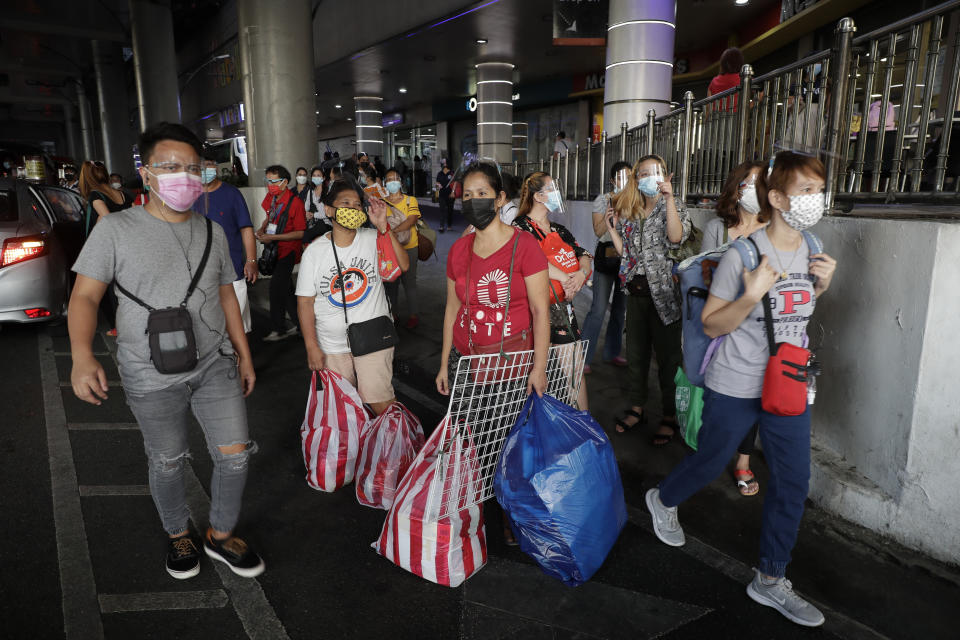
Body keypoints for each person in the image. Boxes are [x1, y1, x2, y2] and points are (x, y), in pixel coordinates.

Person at [646, 151, 837, 628]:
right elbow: (711, 324)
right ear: (776, 197)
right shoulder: (743, 254)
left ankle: (770, 580)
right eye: (805, 191)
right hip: (736, 382)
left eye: (819, 190)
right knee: (712, 461)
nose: (815, 200)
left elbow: (794, 309)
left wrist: (822, 288)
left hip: (788, 385)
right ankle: (663, 499)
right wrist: (749, 294)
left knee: (792, 482)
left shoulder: (812, 244)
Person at [68, 121, 264, 580]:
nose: (185, 176)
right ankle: (178, 532)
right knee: (168, 459)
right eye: (171, 166)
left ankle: (218, 535)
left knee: (235, 454)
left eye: (193, 168)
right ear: (146, 172)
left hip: (215, 363)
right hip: (149, 371)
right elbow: (84, 297)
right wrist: (81, 354)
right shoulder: (115, 230)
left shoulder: (214, 232)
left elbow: (225, 297)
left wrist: (245, 355)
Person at [435, 162, 550, 547]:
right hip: (468, 362)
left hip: (512, 364)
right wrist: (444, 362)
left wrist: (539, 367)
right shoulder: (458, 250)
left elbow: (539, 311)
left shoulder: (525, 246)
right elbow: (452, 309)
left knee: (508, 444)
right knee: (473, 441)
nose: (473, 201)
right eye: (466, 195)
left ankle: (507, 514)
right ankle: (478, 509)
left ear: (501, 198)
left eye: (482, 194)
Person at [296, 179, 409, 415]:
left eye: (357, 205)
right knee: (341, 409)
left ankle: (398, 450)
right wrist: (311, 346)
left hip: (374, 337)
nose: (353, 209)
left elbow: (403, 265)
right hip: (331, 345)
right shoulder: (314, 252)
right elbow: (305, 302)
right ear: (328, 210)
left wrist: (383, 227)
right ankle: (357, 451)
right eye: (345, 203)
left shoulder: (373, 237)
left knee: (382, 404)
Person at [606, 154, 691, 445]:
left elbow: (676, 238)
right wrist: (612, 230)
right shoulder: (632, 210)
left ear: (665, 176)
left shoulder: (674, 206)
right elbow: (627, 254)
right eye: (642, 173)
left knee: (668, 359)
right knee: (636, 355)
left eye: (654, 173)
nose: (648, 178)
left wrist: (669, 200)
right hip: (636, 294)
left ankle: (669, 416)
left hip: (665, 295)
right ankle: (637, 408)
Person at [701, 160, 767, 495]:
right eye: (747, 182)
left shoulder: (772, 230)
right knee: (720, 393)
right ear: (735, 187)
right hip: (721, 320)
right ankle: (710, 452)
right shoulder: (718, 227)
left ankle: (743, 461)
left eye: (760, 182)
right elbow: (701, 273)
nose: (753, 189)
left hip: (756, 329)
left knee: (753, 396)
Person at [513, 171, 592, 410]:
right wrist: (570, 277)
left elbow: (584, 255)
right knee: (530, 372)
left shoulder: (559, 229)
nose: (558, 194)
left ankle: (584, 422)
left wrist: (581, 275)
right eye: (552, 189)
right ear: (538, 196)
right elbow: (531, 262)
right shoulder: (519, 227)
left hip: (562, 309)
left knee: (574, 372)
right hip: (531, 309)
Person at [195, 153, 258, 333]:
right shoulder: (189, 196)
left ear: (216, 166)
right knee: (207, 328)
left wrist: (251, 260)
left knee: (236, 326)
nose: (205, 170)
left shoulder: (232, 194)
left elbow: (246, 228)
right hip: (200, 274)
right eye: (200, 166)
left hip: (232, 271)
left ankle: (239, 360)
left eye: (208, 164)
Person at [579, 161, 631, 374]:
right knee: (598, 309)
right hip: (607, 258)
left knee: (620, 310)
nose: (625, 182)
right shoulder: (603, 200)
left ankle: (612, 352)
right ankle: (583, 357)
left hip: (628, 261)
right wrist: (612, 218)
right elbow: (599, 232)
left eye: (629, 177)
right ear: (612, 180)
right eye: (620, 177)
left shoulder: (637, 201)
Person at [78, 160, 134, 337]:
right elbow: (134, 214)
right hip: (127, 245)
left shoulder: (96, 195)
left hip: (109, 248)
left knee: (109, 290)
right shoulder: (122, 193)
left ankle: (119, 326)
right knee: (126, 286)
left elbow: (107, 217)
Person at [256, 165, 307, 341]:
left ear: (285, 182)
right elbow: (269, 217)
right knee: (286, 289)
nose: (270, 185)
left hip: (288, 251)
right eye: (268, 181)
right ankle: (300, 325)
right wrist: (262, 228)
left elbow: (301, 232)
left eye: (273, 181)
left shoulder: (296, 203)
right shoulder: (272, 198)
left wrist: (274, 236)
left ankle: (278, 329)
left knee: (275, 288)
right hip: (274, 249)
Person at [382, 167, 422, 329]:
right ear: (385, 183)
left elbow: (412, 219)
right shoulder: (382, 202)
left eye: (395, 179)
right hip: (389, 248)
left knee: (409, 282)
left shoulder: (410, 200)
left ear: (400, 182)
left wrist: (394, 231)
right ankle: (394, 314)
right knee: (391, 282)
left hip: (410, 246)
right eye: (389, 179)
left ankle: (414, 314)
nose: (393, 182)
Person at [79, 160, 132, 235]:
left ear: (87, 178)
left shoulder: (95, 195)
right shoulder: (122, 194)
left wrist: (93, 237)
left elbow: (105, 217)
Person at [436, 163, 454, 232]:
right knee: (442, 210)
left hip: (450, 195)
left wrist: (453, 192)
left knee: (450, 210)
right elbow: (437, 183)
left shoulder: (452, 173)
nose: (444, 166)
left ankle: (449, 226)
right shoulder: (439, 174)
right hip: (442, 195)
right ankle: (441, 226)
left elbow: (455, 183)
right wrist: (438, 187)